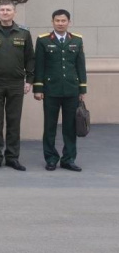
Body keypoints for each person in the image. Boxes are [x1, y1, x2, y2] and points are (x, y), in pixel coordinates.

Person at [0, 1, 34, 171]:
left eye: (8, 10)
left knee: (14, 122)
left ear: (15, 13)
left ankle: (12, 157)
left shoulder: (24, 33)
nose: (5, 12)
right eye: (2, 10)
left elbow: (30, 58)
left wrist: (29, 80)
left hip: (16, 83)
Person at [34, 9, 87, 172]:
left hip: (71, 90)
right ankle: (51, 158)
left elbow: (80, 66)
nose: (60, 23)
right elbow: (39, 66)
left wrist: (82, 89)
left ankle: (68, 159)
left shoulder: (77, 40)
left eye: (63, 21)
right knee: (49, 127)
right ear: (52, 22)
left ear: (68, 22)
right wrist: (38, 88)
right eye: (57, 21)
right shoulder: (43, 41)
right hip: (51, 90)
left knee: (70, 127)